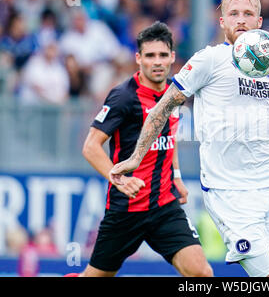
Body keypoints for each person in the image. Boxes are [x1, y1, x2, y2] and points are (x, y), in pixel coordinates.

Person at [110, 0, 269, 277]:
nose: (241, 20)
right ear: (222, 21)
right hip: (229, 195)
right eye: (233, 13)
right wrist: (136, 157)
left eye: (248, 14)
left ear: (259, 23)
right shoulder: (209, 60)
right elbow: (163, 108)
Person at [66, 22, 212, 277]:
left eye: (163, 55)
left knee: (202, 273)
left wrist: (176, 176)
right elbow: (90, 147)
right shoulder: (123, 96)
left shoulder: (174, 93)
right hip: (126, 209)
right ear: (138, 58)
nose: (157, 62)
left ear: (172, 57)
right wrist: (119, 179)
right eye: (150, 55)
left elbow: (169, 135)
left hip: (164, 206)